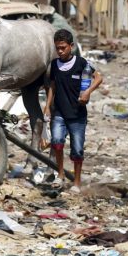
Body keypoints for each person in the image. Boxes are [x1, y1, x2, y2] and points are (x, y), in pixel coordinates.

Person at [44, 29, 103, 189]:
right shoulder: (55, 65)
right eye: (57, 48)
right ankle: (61, 175)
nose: (60, 51)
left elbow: (98, 77)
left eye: (63, 47)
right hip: (59, 113)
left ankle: (76, 182)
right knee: (56, 142)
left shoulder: (81, 63)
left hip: (77, 115)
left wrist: (88, 92)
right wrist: (47, 107)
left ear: (71, 46)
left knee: (77, 150)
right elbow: (53, 86)